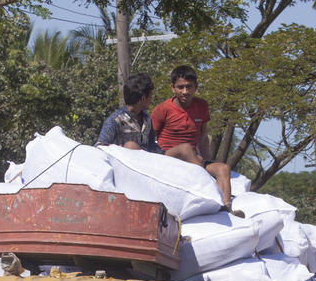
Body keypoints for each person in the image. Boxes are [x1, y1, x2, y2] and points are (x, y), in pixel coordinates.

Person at [151, 65, 237, 212]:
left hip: (193, 160)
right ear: (173, 88)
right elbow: (150, 139)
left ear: (196, 87)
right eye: (181, 87)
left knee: (223, 168)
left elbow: (203, 138)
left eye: (189, 87)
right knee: (185, 149)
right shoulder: (162, 109)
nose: (185, 92)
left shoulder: (202, 105)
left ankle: (225, 207)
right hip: (168, 156)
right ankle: (206, 184)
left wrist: (207, 160)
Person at [96, 72, 161, 152]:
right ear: (142, 99)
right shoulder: (115, 120)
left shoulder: (146, 119)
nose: (151, 100)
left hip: (146, 162)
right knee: (131, 146)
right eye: (150, 96)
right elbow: (100, 147)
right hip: (124, 163)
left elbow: (151, 145)